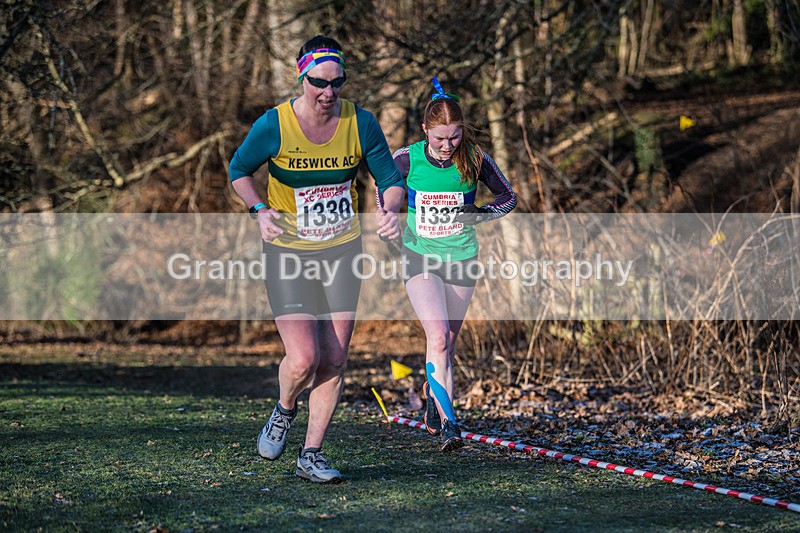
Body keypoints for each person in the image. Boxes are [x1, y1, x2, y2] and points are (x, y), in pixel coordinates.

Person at [229, 35, 405, 483]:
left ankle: (311, 454)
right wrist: (259, 209)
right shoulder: (274, 125)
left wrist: (391, 207)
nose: (328, 93)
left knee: (335, 358)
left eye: (337, 83)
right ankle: (284, 409)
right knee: (304, 357)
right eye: (318, 83)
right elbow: (238, 171)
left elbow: (389, 177)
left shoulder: (360, 122)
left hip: (342, 251)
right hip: (289, 252)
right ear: (301, 76)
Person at [387, 77, 517, 452]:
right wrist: (389, 227)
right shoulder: (406, 158)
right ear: (425, 129)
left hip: (461, 258)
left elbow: (508, 198)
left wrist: (478, 214)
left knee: (447, 343)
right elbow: (385, 196)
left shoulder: (474, 157)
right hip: (419, 256)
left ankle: (432, 391)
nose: (447, 146)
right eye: (440, 138)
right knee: (439, 338)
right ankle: (450, 425)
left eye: (454, 138)